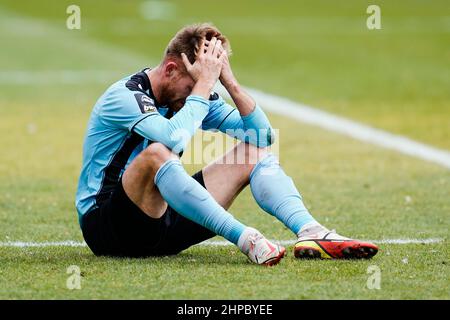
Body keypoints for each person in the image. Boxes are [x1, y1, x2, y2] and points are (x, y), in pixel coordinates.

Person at [75, 23, 378, 265]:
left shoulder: (193, 95)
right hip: (107, 227)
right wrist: (204, 86)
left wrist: (229, 83)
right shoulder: (124, 96)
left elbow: (263, 136)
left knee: (254, 151)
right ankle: (245, 238)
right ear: (170, 70)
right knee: (157, 153)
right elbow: (173, 137)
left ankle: (311, 231)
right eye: (194, 83)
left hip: (161, 227)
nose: (201, 92)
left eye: (207, 81)